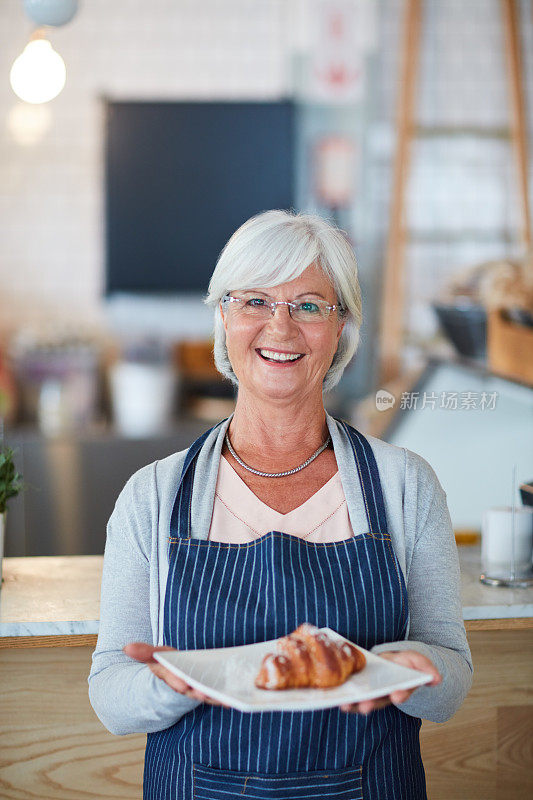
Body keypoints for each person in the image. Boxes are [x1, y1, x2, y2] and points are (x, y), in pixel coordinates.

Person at [89, 210, 473, 800]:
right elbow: (112, 696)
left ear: (342, 327)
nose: (281, 327)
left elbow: (451, 681)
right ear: (222, 316)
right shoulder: (154, 496)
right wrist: (170, 685)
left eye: (311, 305)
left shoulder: (405, 486)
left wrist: (405, 667)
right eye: (255, 301)